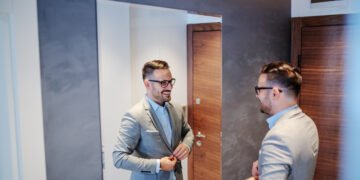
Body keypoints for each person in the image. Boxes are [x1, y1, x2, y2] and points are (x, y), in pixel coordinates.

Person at [113, 60, 194, 180]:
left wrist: (187, 145)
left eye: (171, 82)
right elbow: (119, 158)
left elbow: (188, 131)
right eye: (163, 83)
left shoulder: (177, 108)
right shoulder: (134, 115)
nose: (170, 87)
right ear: (147, 84)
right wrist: (158, 165)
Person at [251, 61, 319, 180]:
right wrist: (264, 163)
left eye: (259, 89)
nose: (257, 95)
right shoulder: (308, 123)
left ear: (275, 93)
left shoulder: (277, 138)